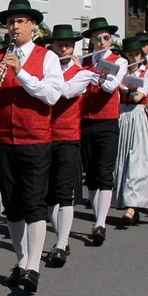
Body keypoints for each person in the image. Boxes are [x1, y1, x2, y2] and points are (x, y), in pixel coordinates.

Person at [0, 0, 61, 293]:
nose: (14, 27)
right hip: (4, 137)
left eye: (20, 21)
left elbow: (51, 95)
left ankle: (33, 267)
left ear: (33, 26)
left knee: (34, 202)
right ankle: (21, 260)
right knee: (12, 204)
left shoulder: (47, 57)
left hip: (36, 138)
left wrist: (21, 73)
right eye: (10, 22)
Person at [37, 25, 92, 266]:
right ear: (52, 47)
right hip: (44, 135)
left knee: (64, 191)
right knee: (49, 193)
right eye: (60, 45)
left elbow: (64, 93)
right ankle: (62, 238)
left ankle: (60, 243)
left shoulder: (83, 73)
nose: (64, 50)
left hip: (68, 136)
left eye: (68, 46)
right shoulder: (45, 70)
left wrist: (43, 81)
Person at [79, 17, 128, 245]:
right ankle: (97, 218)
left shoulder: (120, 61)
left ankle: (100, 223)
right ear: (91, 40)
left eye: (106, 37)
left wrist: (91, 75)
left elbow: (110, 86)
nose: (101, 42)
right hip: (86, 121)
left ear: (110, 39)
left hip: (108, 121)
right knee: (90, 173)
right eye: (97, 38)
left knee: (104, 172)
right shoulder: (83, 60)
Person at [112, 37, 148, 225]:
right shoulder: (121, 71)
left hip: (137, 115)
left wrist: (120, 85)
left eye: (136, 54)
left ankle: (133, 207)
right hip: (121, 115)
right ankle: (127, 204)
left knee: (137, 160)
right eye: (130, 55)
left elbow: (138, 96)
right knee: (120, 160)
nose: (133, 57)